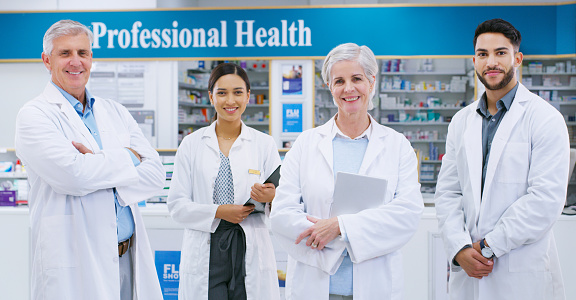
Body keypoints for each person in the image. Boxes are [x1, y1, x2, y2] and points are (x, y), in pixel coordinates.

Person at [14, 20, 165, 300]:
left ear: (91, 58)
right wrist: (130, 159)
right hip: (76, 262)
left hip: (128, 256)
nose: (76, 62)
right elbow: (74, 177)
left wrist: (98, 162)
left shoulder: (114, 111)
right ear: (47, 60)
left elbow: (156, 174)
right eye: (65, 53)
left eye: (83, 53)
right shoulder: (34, 115)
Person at [269, 43, 424, 300]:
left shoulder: (397, 146)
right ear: (330, 87)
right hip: (315, 284)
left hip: (375, 285)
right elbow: (283, 214)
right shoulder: (306, 144)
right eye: (339, 81)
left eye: (357, 78)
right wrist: (337, 235)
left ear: (372, 82)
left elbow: (406, 215)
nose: (348, 88)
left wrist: (340, 226)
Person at [434, 18, 569, 300]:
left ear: (517, 58)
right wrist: (460, 248)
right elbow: (448, 192)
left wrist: (486, 247)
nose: (491, 62)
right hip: (468, 270)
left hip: (520, 271)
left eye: (500, 53)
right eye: (483, 54)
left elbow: (545, 200)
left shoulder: (544, 119)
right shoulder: (461, 121)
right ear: (474, 61)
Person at [167, 62, 281, 300]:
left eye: (238, 92)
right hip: (206, 245)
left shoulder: (264, 144)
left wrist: (272, 198)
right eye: (222, 93)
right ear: (211, 97)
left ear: (248, 96)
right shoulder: (191, 144)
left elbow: (283, 202)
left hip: (248, 244)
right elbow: (177, 206)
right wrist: (219, 211)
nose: (230, 101)